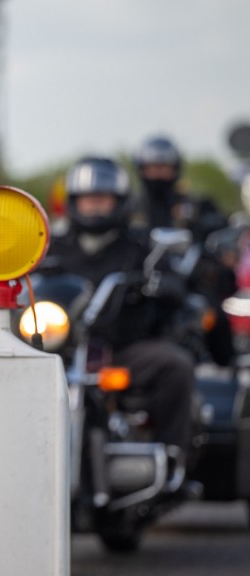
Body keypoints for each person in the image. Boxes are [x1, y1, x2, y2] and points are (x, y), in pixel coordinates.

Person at [48, 156, 195, 455]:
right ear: (73, 201)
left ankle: (172, 455)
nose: (95, 206)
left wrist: (164, 283)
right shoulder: (51, 244)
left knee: (175, 365)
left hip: (122, 348)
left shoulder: (141, 245)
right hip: (58, 350)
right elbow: (20, 273)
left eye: (103, 198)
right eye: (88, 199)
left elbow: (173, 279)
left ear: (121, 202)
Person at [134, 135, 236, 366]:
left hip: (188, 281)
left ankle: (228, 370)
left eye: (164, 167)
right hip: (143, 281)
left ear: (175, 169)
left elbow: (217, 234)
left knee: (215, 315)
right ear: (141, 170)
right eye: (152, 168)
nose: (158, 174)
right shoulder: (131, 208)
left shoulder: (194, 206)